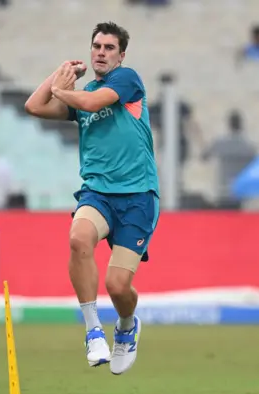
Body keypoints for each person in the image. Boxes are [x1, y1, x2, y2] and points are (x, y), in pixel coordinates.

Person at [24, 22, 160, 375]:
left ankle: (127, 325)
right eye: (96, 46)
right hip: (98, 192)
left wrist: (62, 90)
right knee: (78, 238)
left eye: (109, 47)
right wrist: (59, 73)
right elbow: (34, 106)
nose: (101, 52)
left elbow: (91, 100)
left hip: (137, 196)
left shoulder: (127, 80)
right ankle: (93, 330)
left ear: (121, 55)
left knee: (118, 285)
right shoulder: (80, 93)